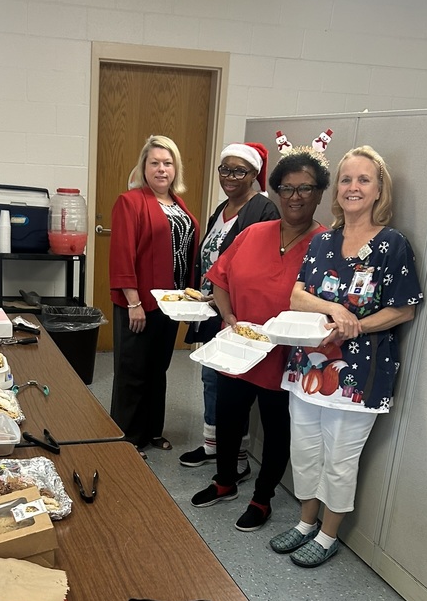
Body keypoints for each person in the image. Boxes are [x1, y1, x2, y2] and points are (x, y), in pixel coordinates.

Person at [269, 145, 423, 567]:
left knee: (340, 458)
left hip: (359, 376)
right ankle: (304, 522)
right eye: (346, 179)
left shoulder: (392, 245)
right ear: (336, 189)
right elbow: (297, 296)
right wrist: (334, 310)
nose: (353, 187)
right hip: (307, 368)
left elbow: (405, 308)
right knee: (304, 450)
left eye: (363, 180)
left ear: (378, 191)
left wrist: (357, 324)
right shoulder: (323, 242)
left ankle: (328, 533)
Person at [190, 147, 330, 532]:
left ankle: (262, 497)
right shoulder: (253, 233)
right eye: (286, 188)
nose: (295, 196)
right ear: (276, 192)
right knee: (228, 416)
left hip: (287, 358)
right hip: (239, 347)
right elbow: (219, 279)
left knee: (276, 428)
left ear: (320, 194)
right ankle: (224, 482)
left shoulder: (326, 246)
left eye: (305, 188)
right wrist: (230, 317)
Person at [179, 142, 279, 480]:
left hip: (238, 315)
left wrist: (225, 304)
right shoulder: (222, 208)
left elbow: (258, 268)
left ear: (253, 175)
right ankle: (213, 444)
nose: (230, 177)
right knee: (211, 377)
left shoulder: (262, 210)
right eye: (225, 169)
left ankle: (236, 457)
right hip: (213, 307)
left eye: (239, 171)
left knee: (233, 387)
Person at [109, 134, 199, 455]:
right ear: (144, 167)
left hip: (171, 305)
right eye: (154, 163)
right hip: (140, 304)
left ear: (176, 168)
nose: (161, 169)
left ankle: (152, 431)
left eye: (168, 163)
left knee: (157, 370)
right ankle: (127, 438)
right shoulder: (130, 201)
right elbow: (123, 256)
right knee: (132, 372)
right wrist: (133, 302)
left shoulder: (178, 204)